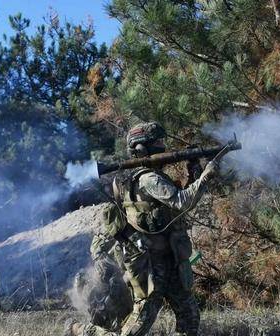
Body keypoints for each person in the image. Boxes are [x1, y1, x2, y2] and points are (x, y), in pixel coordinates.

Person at [69, 122, 219, 336]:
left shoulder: (144, 178)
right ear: (142, 148)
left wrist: (194, 172)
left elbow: (172, 210)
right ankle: (81, 331)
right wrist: (207, 175)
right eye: (158, 142)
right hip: (150, 265)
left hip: (171, 259)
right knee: (134, 330)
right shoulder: (149, 179)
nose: (163, 145)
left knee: (189, 319)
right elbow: (183, 201)